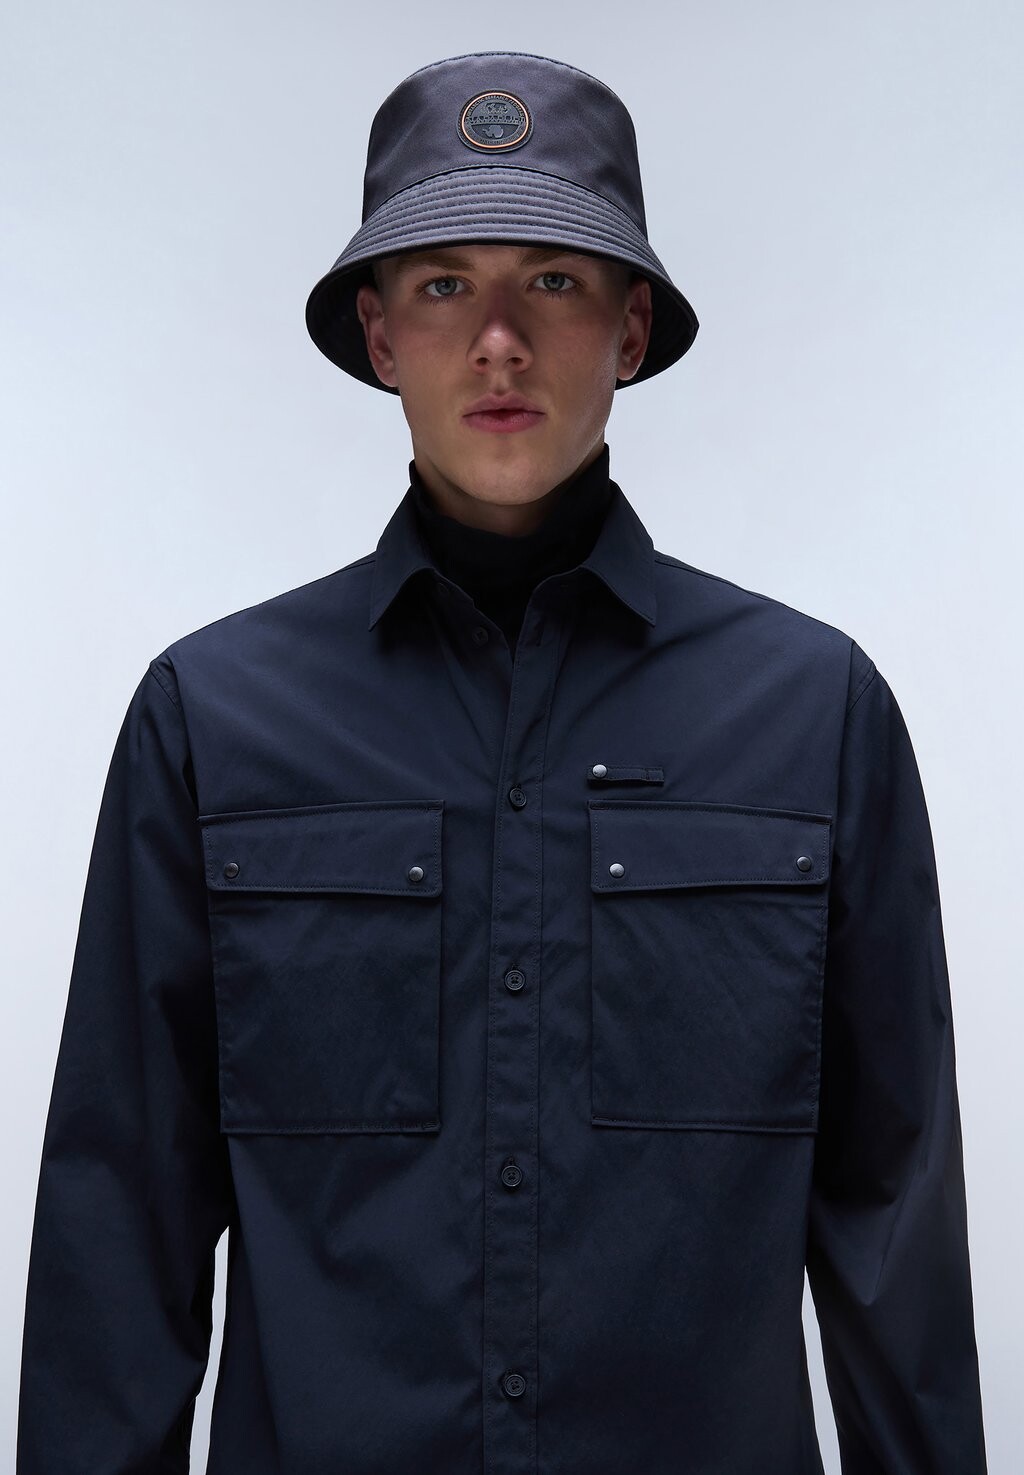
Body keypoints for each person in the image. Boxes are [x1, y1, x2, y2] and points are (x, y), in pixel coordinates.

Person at [17, 49, 987, 1474]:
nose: (497, 342)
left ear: (631, 327)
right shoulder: (211, 722)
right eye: (441, 285)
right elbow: (121, 1227)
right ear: (377, 334)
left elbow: (895, 1225)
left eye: (552, 280)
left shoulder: (813, 716)